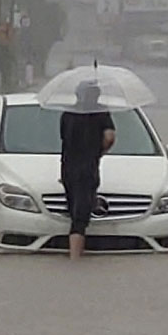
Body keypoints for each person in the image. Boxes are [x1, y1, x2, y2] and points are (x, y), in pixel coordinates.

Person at [59, 81, 116, 260]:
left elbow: (64, 139)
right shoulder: (101, 113)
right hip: (88, 168)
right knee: (80, 219)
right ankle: (75, 260)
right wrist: (100, 151)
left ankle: (74, 256)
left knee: (74, 209)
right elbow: (109, 137)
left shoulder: (67, 114)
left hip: (68, 168)